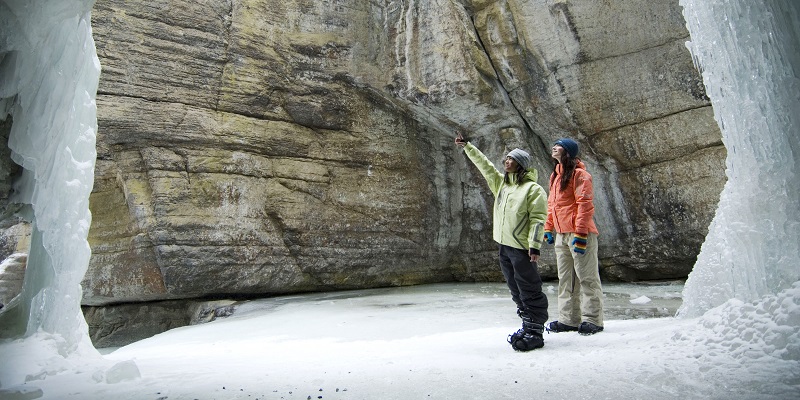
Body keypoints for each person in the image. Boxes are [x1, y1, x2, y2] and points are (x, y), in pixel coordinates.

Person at [455, 132, 548, 351]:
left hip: (522, 248)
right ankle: (527, 323)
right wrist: (467, 147)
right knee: (515, 287)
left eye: (511, 159)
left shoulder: (532, 190)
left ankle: (535, 330)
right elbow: (485, 166)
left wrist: (534, 246)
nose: (506, 161)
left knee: (529, 287)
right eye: (506, 158)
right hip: (505, 246)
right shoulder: (502, 186)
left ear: (521, 165)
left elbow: (538, 219)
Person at [543, 138, 604, 335]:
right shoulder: (555, 176)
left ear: (568, 152)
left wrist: (580, 233)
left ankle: (593, 320)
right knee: (566, 279)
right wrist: (548, 228)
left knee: (587, 277)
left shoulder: (580, 175)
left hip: (580, 233)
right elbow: (552, 206)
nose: (554, 147)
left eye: (558, 146)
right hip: (561, 234)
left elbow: (584, 205)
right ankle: (569, 319)